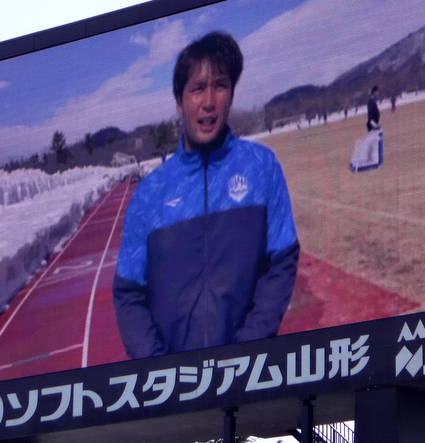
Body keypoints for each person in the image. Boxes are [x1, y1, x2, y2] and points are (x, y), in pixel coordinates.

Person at [112, 31, 300, 359]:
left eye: (220, 86)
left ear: (231, 93)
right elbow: (129, 292)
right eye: (197, 88)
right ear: (179, 101)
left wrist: (248, 351)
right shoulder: (150, 193)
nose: (209, 101)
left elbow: (281, 261)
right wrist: (160, 370)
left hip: (247, 373)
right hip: (173, 385)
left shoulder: (261, 166)